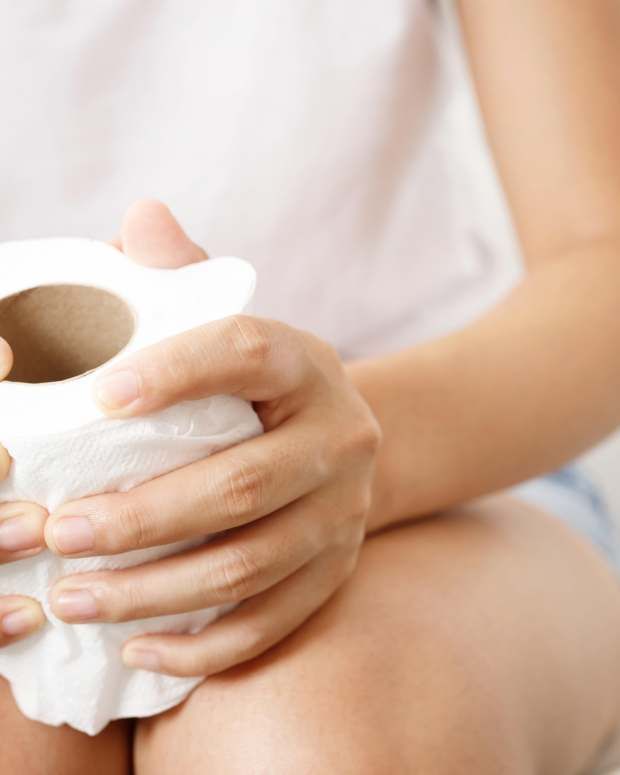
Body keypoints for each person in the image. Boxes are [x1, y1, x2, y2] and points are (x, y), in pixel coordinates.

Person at [1, 2, 620, 773]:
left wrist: (349, 450)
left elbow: (602, 253)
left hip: (452, 458)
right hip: (22, 518)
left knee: (307, 744)